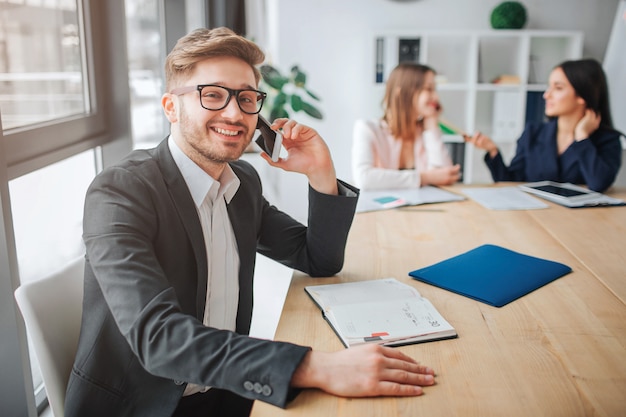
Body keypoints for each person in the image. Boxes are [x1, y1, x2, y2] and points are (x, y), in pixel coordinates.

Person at [64, 27, 436, 417]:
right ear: (171, 107)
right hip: (144, 406)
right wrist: (314, 365)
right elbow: (159, 339)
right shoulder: (121, 191)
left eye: (246, 98)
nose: (234, 113)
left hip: (229, 392)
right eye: (212, 94)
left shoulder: (241, 182)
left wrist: (320, 172)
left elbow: (318, 259)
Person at [465, 58, 622, 192]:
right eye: (549, 86)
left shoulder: (607, 140)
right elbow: (511, 181)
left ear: (582, 96)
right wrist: (493, 151)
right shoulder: (533, 133)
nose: (547, 95)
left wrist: (582, 137)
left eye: (558, 88)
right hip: (534, 219)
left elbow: (598, 183)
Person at [352, 62, 461, 190]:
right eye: (429, 89)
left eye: (435, 90)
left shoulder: (424, 132)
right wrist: (425, 178)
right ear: (403, 92)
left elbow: (446, 176)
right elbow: (364, 179)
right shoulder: (367, 128)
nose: (436, 97)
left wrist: (432, 125)